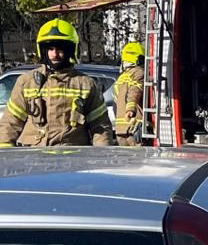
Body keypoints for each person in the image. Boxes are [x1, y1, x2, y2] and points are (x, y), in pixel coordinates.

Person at [0, 19, 113, 148]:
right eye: (50, 49)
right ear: (43, 50)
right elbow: (10, 123)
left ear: (70, 50)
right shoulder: (27, 82)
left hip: (72, 155)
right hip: (34, 156)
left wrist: (101, 155)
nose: (54, 54)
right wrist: (5, 154)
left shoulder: (85, 84)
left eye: (60, 49)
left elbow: (100, 127)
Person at [113, 41, 145, 146]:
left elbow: (115, 102)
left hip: (120, 129)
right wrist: (131, 108)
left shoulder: (121, 77)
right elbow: (135, 90)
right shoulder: (138, 72)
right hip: (133, 127)